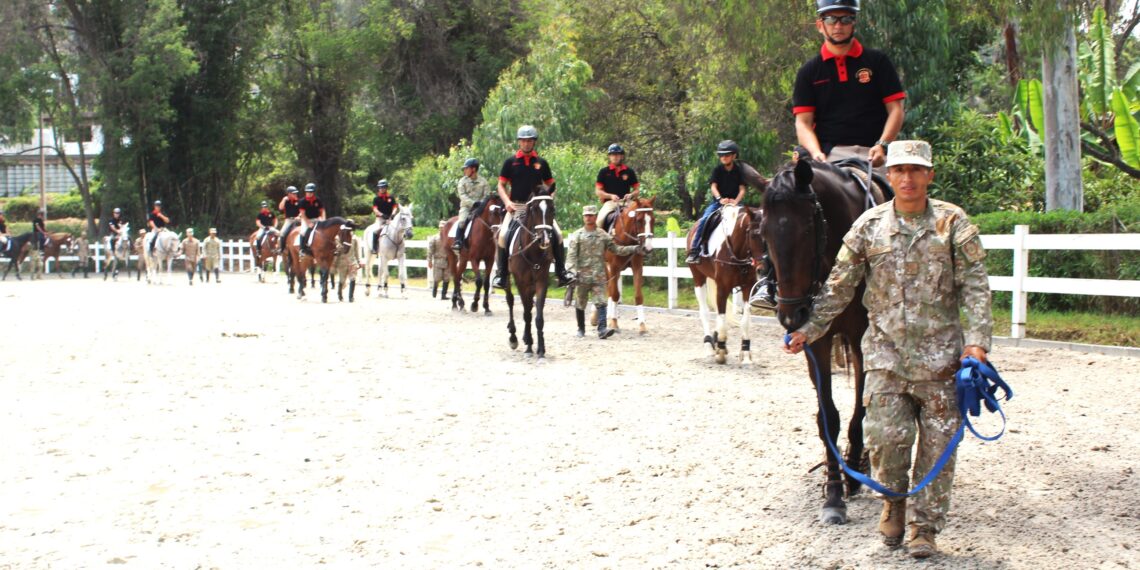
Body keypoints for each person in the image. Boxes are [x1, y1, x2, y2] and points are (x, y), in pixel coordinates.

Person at [784, 140, 992, 559]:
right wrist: (811, 327)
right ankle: (893, 503)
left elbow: (975, 285)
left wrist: (976, 342)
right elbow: (839, 285)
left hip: (942, 361)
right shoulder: (867, 227)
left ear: (929, 175)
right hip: (884, 359)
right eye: (900, 170)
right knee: (886, 443)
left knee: (937, 451)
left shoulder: (954, 223)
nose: (908, 178)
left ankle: (924, 529)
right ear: (890, 175)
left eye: (917, 170)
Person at [792, 0, 905, 168]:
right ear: (820, 25)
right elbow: (803, 123)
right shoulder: (808, 72)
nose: (838, 26)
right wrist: (816, 153)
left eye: (845, 19)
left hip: (875, 154)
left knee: (901, 190)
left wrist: (882, 145)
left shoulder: (878, 61)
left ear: (854, 23)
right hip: (830, 155)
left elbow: (896, 109)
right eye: (831, 20)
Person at [492, 124, 575, 289]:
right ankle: (501, 275)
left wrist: (547, 200)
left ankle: (561, 272)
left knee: (557, 234)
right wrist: (507, 202)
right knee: (502, 235)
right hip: (517, 207)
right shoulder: (511, 162)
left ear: (534, 142)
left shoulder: (541, 163)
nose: (526, 144)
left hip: (537, 209)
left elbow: (552, 184)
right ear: (519, 142)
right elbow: (500, 185)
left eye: (529, 141)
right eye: (523, 141)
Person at [566, 205, 645, 338]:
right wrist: (571, 271)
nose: (589, 218)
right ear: (583, 217)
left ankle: (602, 329)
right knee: (580, 302)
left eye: (591, 215)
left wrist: (634, 248)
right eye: (586, 215)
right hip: (582, 275)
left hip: (598, 275)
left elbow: (617, 249)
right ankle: (581, 328)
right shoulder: (577, 235)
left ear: (595, 217)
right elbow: (571, 256)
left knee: (601, 302)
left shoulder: (603, 235)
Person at [687, 140, 747, 264]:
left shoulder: (739, 171)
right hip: (719, 203)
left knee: (750, 220)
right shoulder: (717, 170)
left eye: (727, 155)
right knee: (705, 219)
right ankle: (695, 250)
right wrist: (720, 199)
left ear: (734, 155)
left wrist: (735, 201)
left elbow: (742, 189)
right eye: (721, 155)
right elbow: (713, 187)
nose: (723, 157)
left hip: (735, 203)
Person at [595, 144, 640, 233]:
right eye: (612, 154)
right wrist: (610, 196)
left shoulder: (629, 171)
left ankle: (643, 239)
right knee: (599, 221)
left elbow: (637, 190)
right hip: (610, 203)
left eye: (617, 154)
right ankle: (600, 243)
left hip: (627, 202)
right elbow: (598, 191)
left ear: (621, 156)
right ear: (609, 157)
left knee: (641, 214)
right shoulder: (604, 172)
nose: (615, 157)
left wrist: (631, 195)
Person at [452, 158, 492, 251]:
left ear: (473, 169)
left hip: (480, 207)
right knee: (462, 222)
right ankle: (458, 241)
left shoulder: (484, 182)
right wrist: (473, 203)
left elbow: (487, 195)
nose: (464, 170)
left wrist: (482, 203)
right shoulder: (462, 181)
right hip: (466, 207)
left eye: (466, 168)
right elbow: (462, 196)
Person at [371, 179, 399, 253]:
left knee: (398, 229)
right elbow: (375, 209)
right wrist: (382, 215)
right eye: (380, 187)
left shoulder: (391, 198)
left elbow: (395, 207)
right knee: (376, 231)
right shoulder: (376, 199)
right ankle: (374, 248)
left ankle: (399, 247)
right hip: (380, 219)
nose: (382, 189)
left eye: (383, 187)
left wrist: (393, 214)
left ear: (386, 188)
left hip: (390, 218)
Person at [426, 220, 452, 299]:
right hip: (438, 261)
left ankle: (443, 295)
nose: (442, 229)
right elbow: (430, 250)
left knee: (446, 278)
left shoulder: (450, 238)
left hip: (448, 261)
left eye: (443, 227)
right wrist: (429, 260)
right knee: (437, 278)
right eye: (441, 227)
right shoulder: (435, 238)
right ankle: (434, 292)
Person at [298, 183, 326, 255]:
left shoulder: (318, 200)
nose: (309, 193)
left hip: (316, 219)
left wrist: (323, 219)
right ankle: (302, 249)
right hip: (306, 219)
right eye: (307, 192)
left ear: (313, 192)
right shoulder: (302, 201)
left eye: (311, 192)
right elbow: (303, 214)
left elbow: (322, 210)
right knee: (303, 231)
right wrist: (308, 223)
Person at [278, 186, 301, 254]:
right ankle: (282, 248)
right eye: (293, 193)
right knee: (282, 233)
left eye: (296, 193)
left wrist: (299, 216)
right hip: (289, 220)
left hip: (298, 219)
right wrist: (283, 200)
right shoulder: (286, 201)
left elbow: (302, 210)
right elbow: (280, 208)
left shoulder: (298, 201)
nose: (295, 194)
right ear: (289, 194)